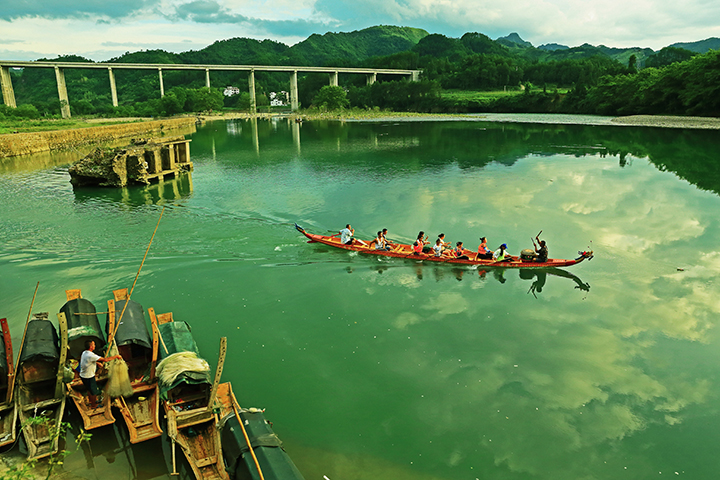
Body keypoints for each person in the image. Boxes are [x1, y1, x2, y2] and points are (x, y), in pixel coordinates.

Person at [79, 340, 121, 409]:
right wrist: (116, 356)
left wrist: (97, 363)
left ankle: (91, 401)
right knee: (94, 392)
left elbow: (87, 361)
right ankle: (94, 406)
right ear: (91, 347)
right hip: (89, 377)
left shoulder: (85, 353)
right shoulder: (91, 355)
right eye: (94, 344)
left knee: (89, 389)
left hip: (83, 375)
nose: (95, 346)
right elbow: (105, 360)